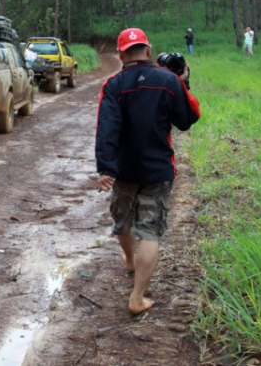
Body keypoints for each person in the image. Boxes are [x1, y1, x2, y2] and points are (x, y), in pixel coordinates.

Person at [95, 28, 201, 315]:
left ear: (120, 54)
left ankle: (130, 259)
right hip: (158, 170)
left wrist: (105, 168)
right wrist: (184, 84)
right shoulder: (168, 81)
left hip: (124, 169)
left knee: (123, 219)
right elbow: (187, 119)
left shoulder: (113, 84)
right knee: (150, 231)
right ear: (148, 50)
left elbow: (106, 128)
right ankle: (137, 297)